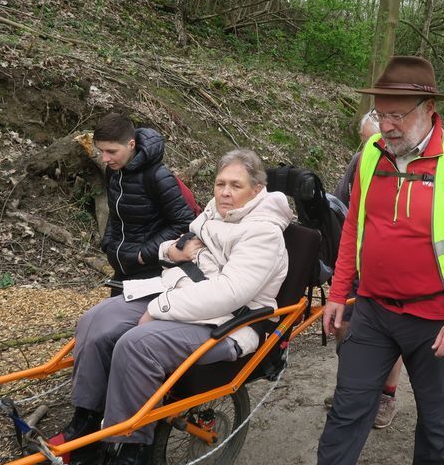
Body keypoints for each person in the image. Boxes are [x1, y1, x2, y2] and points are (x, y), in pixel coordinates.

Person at [318, 56, 444, 464]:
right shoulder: (371, 152)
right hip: (372, 312)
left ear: (429, 110)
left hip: (435, 320)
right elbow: (353, 229)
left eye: (397, 115)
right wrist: (337, 293)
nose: (387, 126)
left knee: (437, 427)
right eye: (381, 114)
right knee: (346, 413)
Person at [58, 149, 293, 465]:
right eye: (220, 183)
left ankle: (132, 450)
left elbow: (229, 293)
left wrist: (158, 308)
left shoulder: (263, 232)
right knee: (96, 320)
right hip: (182, 290)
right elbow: (183, 244)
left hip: (230, 320)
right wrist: (172, 250)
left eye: (235, 186)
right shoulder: (216, 211)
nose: (225, 192)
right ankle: (85, 425)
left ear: (256, 189)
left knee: (137, 346)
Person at [327, 112, 403, 429]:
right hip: (357, 261)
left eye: (380, 136)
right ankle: (354, 389)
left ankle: (386, 397)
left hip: (393, 268)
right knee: (345, 326)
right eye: (368, 137)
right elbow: (339, 203)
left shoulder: (409, 164)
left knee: (391, 335)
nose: (375, 142)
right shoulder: (361, 159)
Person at [95, 113, 194, 294]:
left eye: (111, 151)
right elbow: (115, 212)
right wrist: (109, 243)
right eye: (101, 151)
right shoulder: (114, 172)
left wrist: (144, 254)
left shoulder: (158, 177)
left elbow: (184, 222)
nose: (105, 159)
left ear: (131, 145)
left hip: (152, 272)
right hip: (122, 267)